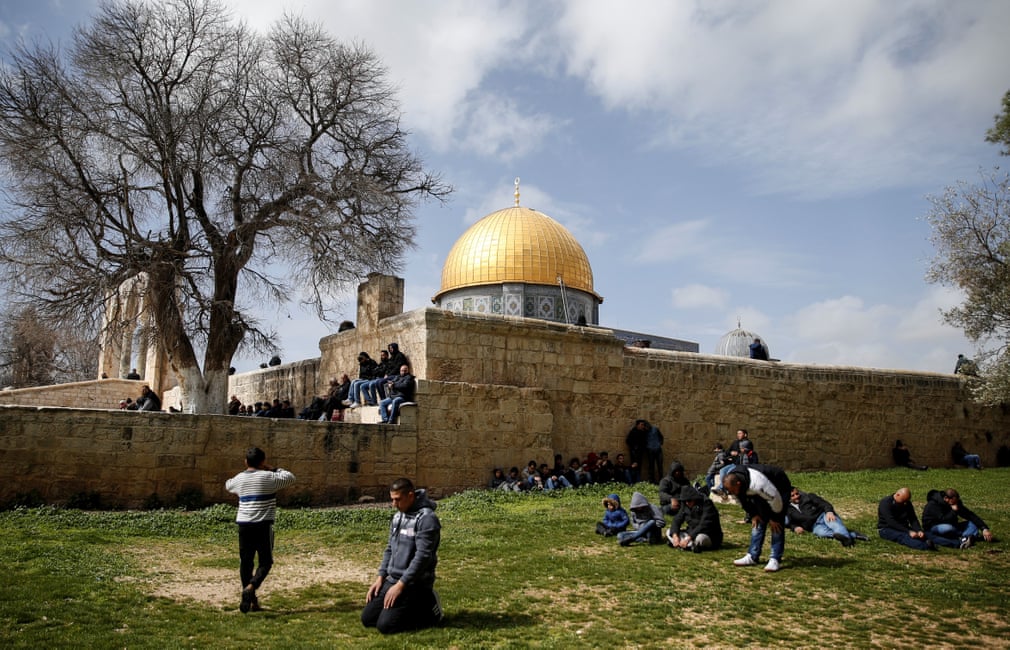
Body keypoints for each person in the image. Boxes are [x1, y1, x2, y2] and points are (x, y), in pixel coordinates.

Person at [362, 478, 442, 634]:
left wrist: (401, 585)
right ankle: (408, 605)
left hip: (414, 583)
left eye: (398, 499)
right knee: (368, 619)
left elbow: (422, 557)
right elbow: (389, 549)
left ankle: (429, 606)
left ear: (410, 496)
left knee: (386, 626)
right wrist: (380, 577)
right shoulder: (398, 517)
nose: (394, 504)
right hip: (392, 579)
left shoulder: (427, 519)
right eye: (392, 499)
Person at [224, 447, 296, 613]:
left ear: (245, 461)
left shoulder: (239, 479)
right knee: (265, 562)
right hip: (263, 525)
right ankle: (251, 587)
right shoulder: (269, 477)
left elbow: (228, 485)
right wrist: (272, 468)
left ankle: (251, 600)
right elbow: (290, 477)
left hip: (244, 524)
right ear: (263, 461)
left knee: (246, 562)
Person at [723, 463, 792, 572]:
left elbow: (775, 501)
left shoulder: (758, 484)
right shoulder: (733, 483)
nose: (731, 493)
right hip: (760, 493)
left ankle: (775, 559)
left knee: (776, 526)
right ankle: (752, 556)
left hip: (779, 487)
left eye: (732, 491)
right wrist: (753, 514)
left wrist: (773, 518)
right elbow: (742, 501)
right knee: (758, 521)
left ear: (738, 483)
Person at [787, 487, 868, 547]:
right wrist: (795, 527)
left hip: (823, 516)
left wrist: (829, 512)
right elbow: (790, 522)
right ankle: (853, 535)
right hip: (814, 526)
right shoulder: (788, 509)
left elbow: (824, 503)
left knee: (835, 525)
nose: (796, 496)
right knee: (822, 533)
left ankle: (848, 542)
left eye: (797, 493)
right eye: (792, 496)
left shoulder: (809, 497)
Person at [921, 488, 994, 549]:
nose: (955, 504)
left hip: (953, 526)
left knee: (972, 524)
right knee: (948, 528)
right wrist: (953, 511)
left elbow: (969, 515)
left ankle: (964, 538)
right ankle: (964, 537)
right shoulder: (933, 505)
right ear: (946, 498)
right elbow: (944, 520)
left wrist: (984, 528)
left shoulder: (955, 503)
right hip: (934, 527)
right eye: (953, 502)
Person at [666, 485, 723, 552]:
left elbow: (704, 525)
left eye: (689, 500)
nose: (687, 503)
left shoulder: (707, 504)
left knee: (700, 538)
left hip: (707, 534)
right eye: (685, 501)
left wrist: (689, 538)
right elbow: (677, 520)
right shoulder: (685, 505)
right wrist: (675, 535)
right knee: (669, 531)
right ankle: (686, 545)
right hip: (690, 532)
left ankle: (686, 545)